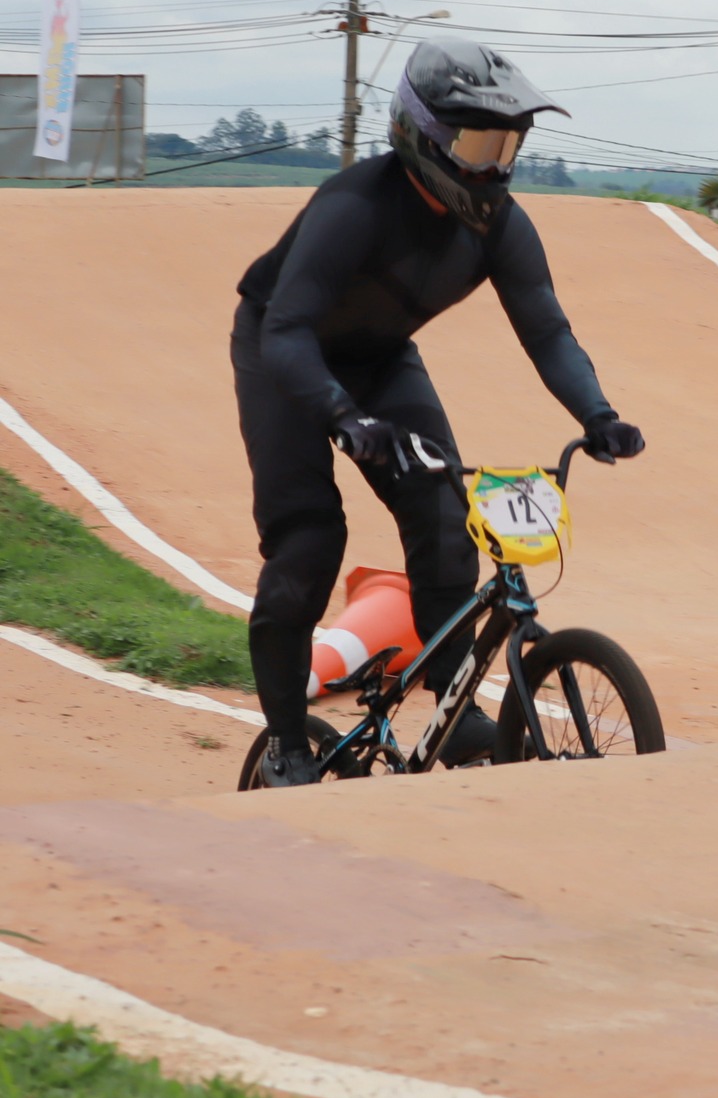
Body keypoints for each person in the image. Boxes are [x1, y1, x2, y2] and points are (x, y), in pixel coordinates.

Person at [232, 39, 646, 787]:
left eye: (506, 145)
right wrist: (345, 417)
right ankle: (288, 744)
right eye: (477, 142)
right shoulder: (354, 206)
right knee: (307, 540)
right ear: (423, 134)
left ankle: (459, 714)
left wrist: (598, 412)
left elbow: (547, 329)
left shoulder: (500, 226)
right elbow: (286, 332)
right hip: (284, 353)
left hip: (382, 357)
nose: (492, 166)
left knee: (444, 513)